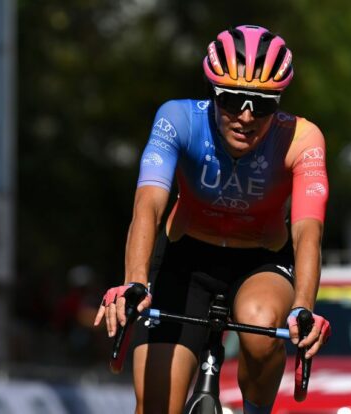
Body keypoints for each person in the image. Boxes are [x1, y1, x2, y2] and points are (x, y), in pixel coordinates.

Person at [94, 24, 331, 414]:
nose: (247, 116)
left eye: (264, 104)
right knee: (156, 404)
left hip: (261, 262)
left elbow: (308, 231)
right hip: (184, 258)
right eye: (232, 100)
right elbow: (148, 205)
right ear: (212, 94)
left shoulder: (302, 139)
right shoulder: (178, 119)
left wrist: (303, 306)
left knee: (260, 326)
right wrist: (134, 281)